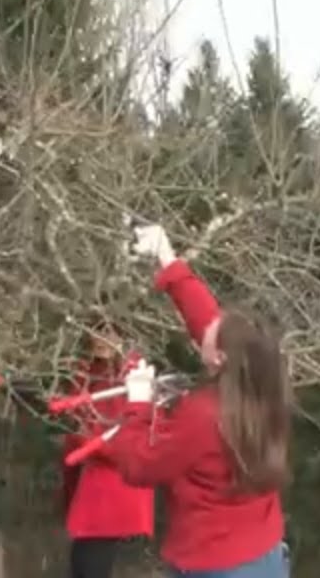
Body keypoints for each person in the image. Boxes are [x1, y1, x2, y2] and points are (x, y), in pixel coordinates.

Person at [102, 224, 291, 578]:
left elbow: (140, 466)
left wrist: (139, 403)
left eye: (211, 335)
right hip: (264, 555)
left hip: (214, 565)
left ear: (219, 358)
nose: (206, 328)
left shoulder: (205, 414)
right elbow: (208, 319)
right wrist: (166, 257)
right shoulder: (264, 385)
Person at [58, 318, 155, 578]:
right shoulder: (87, 371)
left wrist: (88, 441)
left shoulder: (133, 377)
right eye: (97, 330)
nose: (103, 338)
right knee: (83, 564)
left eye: (111, 331)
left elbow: (131, 439)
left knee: (89, 565)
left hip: (111, 493)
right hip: (89, 486)